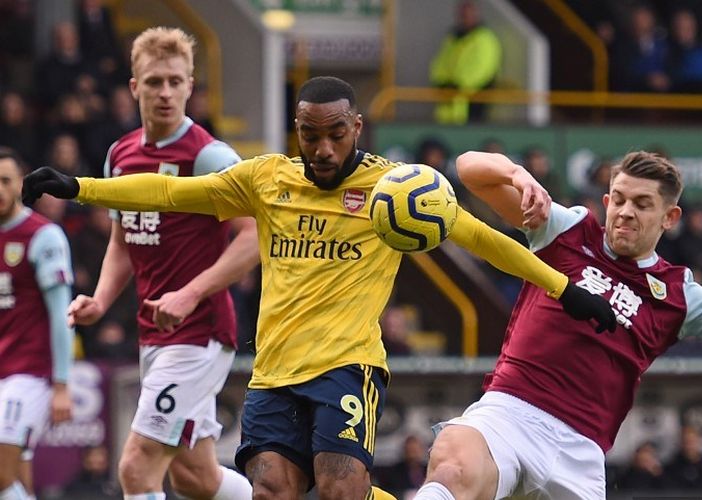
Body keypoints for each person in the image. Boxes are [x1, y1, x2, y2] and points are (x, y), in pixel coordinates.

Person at [22, 75, 615, 500]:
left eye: (336, 133)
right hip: (274, 371)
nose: (324, 148)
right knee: (273, 490)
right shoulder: (265, 178)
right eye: (310, 134)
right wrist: (80, 187)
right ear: (296, 130)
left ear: (356, 126)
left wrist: (564, 289)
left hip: (346, 366)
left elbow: (482, 238)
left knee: (338, 489)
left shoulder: (397, 190)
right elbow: (174, 195)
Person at [410, 150, 702, 499]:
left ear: (670, 217)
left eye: (643, 204)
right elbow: (469, 170)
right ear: (606, 200)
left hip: (580, 452)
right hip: (510, 412)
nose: (626, 212)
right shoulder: (567, 229)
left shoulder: (679, 296)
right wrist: (517, 175)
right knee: (453, 465)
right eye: (618, 199)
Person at [55, 27, 257, 500]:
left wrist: (191, 292)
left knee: (136, 467)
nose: (164, 93)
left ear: (190, 86)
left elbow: (254, 238)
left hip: (200, 332)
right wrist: (101, 299)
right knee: (196, 478)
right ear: (133, 87)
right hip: (154, 334)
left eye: (174, 81)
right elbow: (124, 240)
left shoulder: (210, 157)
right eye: (153, 82)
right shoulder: (120, 155)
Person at [0, 147, 74, 500]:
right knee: (17, 481)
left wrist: (61, 384)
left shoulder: (42, 236)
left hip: (29, 375)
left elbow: (62, 312)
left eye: (5, 181)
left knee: (1, 472)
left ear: (20, 185)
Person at [429, 0, 501, 124]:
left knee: (469, 141)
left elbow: (482, 69)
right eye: (462, 15)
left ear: (476, 14)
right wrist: (440, 82)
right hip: (447, 107)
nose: (465, 18)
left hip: (471, 104)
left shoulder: (484, 38)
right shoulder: (452, 38)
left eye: (468, 14)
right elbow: (440, 63)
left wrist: (459, 85)